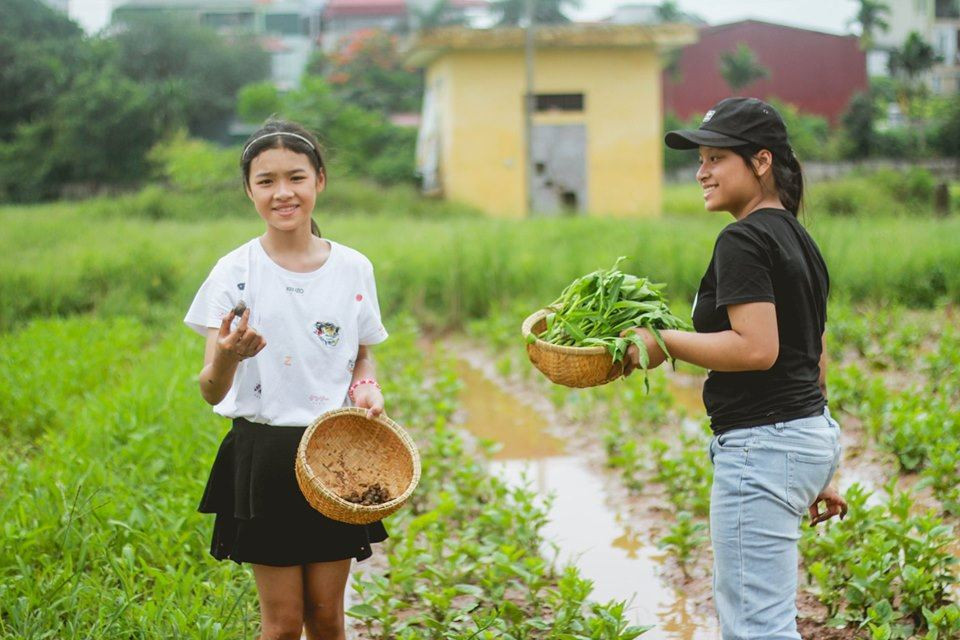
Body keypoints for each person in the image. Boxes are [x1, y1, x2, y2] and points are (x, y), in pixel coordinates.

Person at [622, 97, 849, 640]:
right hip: (800, 437)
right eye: (699, 160)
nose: (701, 172)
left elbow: (757, 349)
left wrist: (662, 341)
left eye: (716, 158)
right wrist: (812, 465)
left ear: (761, 162)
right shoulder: (798, 238)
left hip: (764, 446)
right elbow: (812, 356)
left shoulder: (742, 239)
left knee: (756, 629)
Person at [184, 119, 390, 640]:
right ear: (249, 190)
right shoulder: (234, 272)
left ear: (319, 180)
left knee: (327, 617)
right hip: (265, 455)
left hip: (334, 453)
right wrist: (230, 357)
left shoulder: (352, 267)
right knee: (279, 625)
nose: (283, 193)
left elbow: (362, 354)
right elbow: (210, 387)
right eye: (266, 181)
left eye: (296, 177)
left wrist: (366, 385)